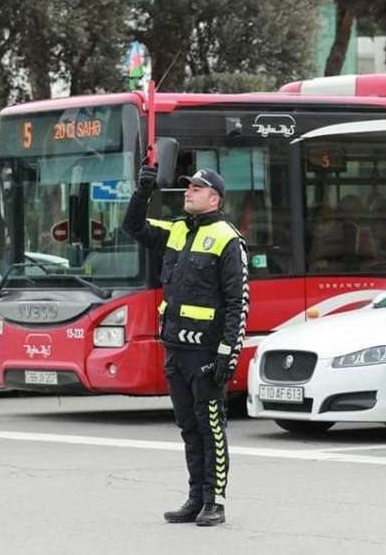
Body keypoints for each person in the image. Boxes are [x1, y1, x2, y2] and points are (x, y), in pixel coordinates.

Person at [123, 166, 249, 527]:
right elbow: (134, 227)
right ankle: (195, 498)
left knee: (211, 428)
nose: (188, 192)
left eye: (197, 188)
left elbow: (238, 302)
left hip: (207, 353)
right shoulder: (178, 229)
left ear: (215, 198)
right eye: (188, 187)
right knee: (189, 428)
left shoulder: (228, 239)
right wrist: (142, 192)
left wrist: (229, 352)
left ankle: (215, 502)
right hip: (175, 349)